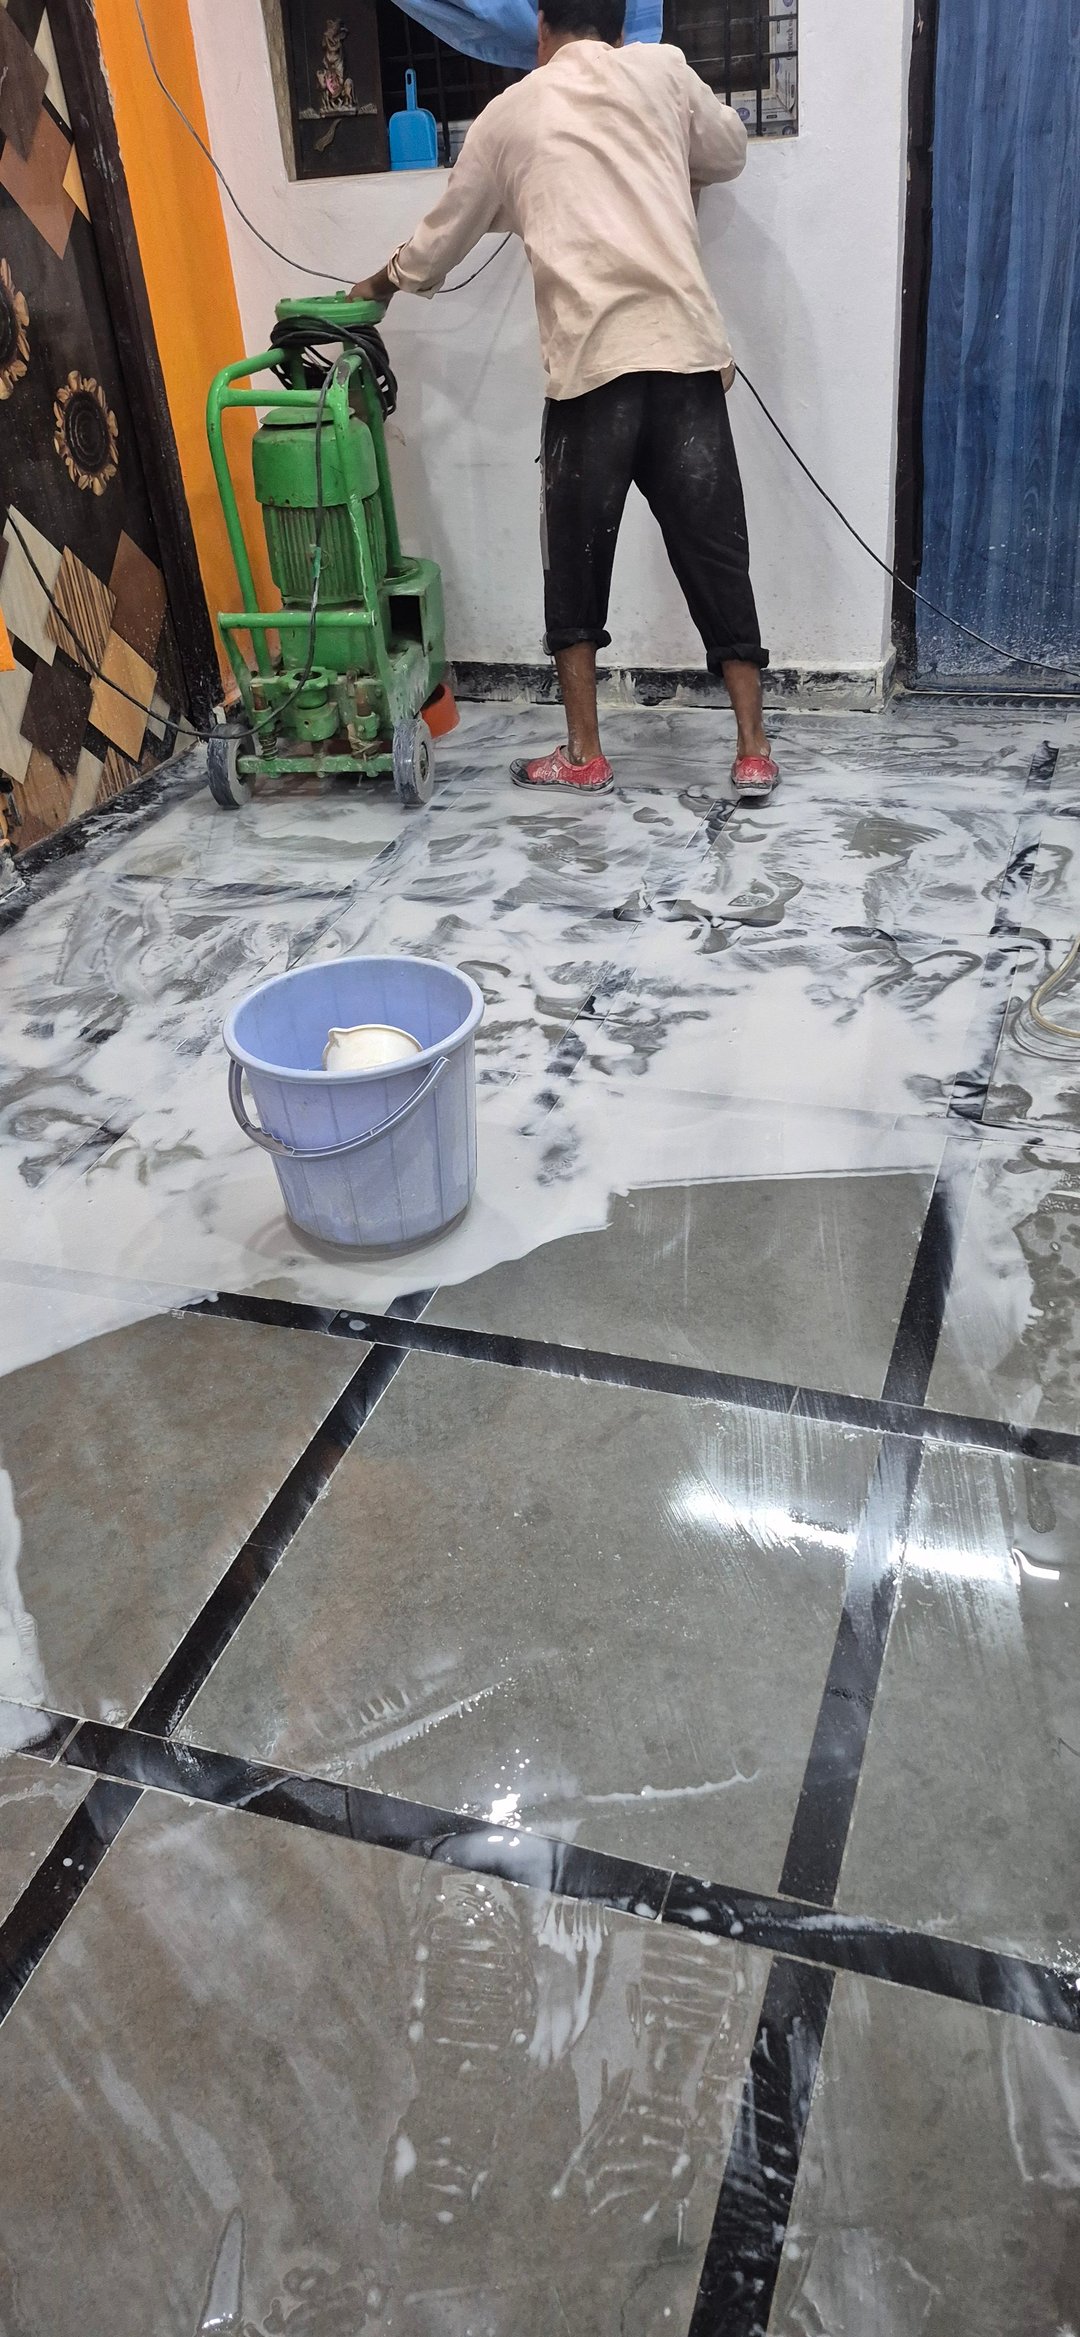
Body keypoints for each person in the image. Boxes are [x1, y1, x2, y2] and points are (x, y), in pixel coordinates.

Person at [353, 0, 779, 800]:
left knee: (574, 569)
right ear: (619, 27)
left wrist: (378, 285)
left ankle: (585, 754)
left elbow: (439, 242)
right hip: (685, 362)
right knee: (718, 559)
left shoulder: (510, 113)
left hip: (591, 376)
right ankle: (753, 750)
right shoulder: (663, 72)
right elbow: (728, 151)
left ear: (541, 27)